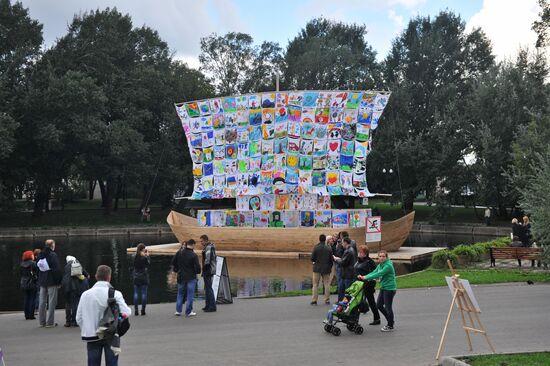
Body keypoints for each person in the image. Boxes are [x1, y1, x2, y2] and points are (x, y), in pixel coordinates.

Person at [76, 265, 131, 366]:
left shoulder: (85, 295)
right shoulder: (115, 294)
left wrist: (87, 327)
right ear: (109, 277)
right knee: (112, 363)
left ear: (96, 276)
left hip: (91, 335)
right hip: (111, 334)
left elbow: (78, 318)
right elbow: (126, 312)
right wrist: (117, 319)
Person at [359, 250, 396, 332]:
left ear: (386, 257)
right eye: (380, 256)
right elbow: (374, 272)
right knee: (379, 305)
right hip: (384, 287)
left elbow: (379, 274)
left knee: (388, 307)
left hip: (389, 289)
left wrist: (366, 278)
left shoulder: (388, 266)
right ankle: (390, 320)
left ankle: (390, 325)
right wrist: (364, 276)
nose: (382, 258)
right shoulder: (381, 265)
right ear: (378, 257)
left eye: (383, 256)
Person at [172, 239, 201, 317]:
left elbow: (173, 262)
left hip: (181, 276)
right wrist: (197, 272)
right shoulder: (193, 255)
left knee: (180, 294)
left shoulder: (179, 252)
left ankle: (178, 311)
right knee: (190, 295)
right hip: (191, 277)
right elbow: (198, 267)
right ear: (193, 245)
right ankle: (188, 312)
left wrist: (178, 269)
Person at [37, 239, 63, 328]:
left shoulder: (40, 254)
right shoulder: (53, 255)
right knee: (52, 302)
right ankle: (50, 322)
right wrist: (59, 281)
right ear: (52, 245)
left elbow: (38, 268)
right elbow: (56, 270)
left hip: (42, 281)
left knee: (42, 302)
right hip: (52, 281)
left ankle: (42, 322)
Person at [354, 245, 381, 325]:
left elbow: (374, 273)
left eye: (361, 252)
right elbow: (356, 270)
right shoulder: (358, 260)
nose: (359, 253)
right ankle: (355, 319)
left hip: (367, 284)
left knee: (370, 302)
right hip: (359, 284)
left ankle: (376, 318)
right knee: (357, 301)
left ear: (365, 254)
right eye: (359, 252)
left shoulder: (369, 262)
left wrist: (366, 278)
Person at [62, 255, 89, 327]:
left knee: (68, 303)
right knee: (75, 304)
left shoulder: (66, 267)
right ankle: (74, 321)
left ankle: (68, 321)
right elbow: (86, 275)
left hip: (66, 287)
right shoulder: (77, 264)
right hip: (76, 287)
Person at [310, 234, 333, 305]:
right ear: (325, 240)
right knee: (326, 284)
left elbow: (312, 258)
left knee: (315, 284)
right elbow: (331, 259)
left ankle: (314, 300)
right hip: (326, 268)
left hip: (317, 268)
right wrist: (330, 267)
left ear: (319, 239)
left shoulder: (316, 247)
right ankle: (327, 300)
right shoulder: (329, 248)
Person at [200, 235, 217, 312]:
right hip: (207, 269)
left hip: (208, 270)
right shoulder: (207, 247)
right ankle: (207, 305)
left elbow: (208, 260)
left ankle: (212, 306)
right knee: (207, 288)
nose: (201, 242)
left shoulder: (208, 247)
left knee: (209, 288)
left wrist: (204, 269)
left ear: (205, 240)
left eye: (201, 241)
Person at [132, 243, 150, 316]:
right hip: (143, 276)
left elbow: (133, 264)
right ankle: (143, 310)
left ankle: (136, 310)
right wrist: (147, 256)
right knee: (144, 294)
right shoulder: (144, 258)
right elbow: (148, 264)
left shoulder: (133, 256)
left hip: (136, 276)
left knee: (136, 293)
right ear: (143, 249)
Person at [20, 250, 38, 320]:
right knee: (32, 299)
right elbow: (36, 272)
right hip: (32, 283)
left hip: (24, 283)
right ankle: (31, 315)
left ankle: (26, 315)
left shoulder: (21, 264)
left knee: (26, 299)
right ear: (30, 256)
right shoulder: (33, 263)